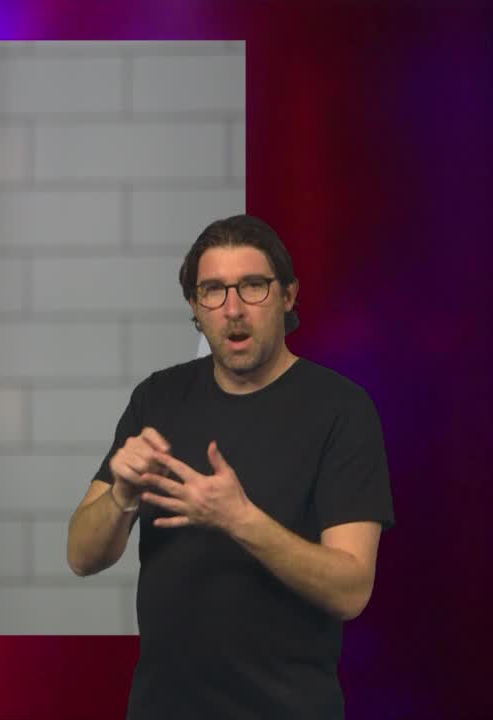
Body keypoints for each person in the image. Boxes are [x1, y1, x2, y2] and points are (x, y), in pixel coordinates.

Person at [66, 215, 393, 718]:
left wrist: (240, 519)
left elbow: (351, 590)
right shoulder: (158, 397)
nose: (233, 309)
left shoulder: (341, 410)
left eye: (253, 287)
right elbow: (81, 556)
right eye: (213, 291)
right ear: (196, 307)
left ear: (287, 296)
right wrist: (121, 497)